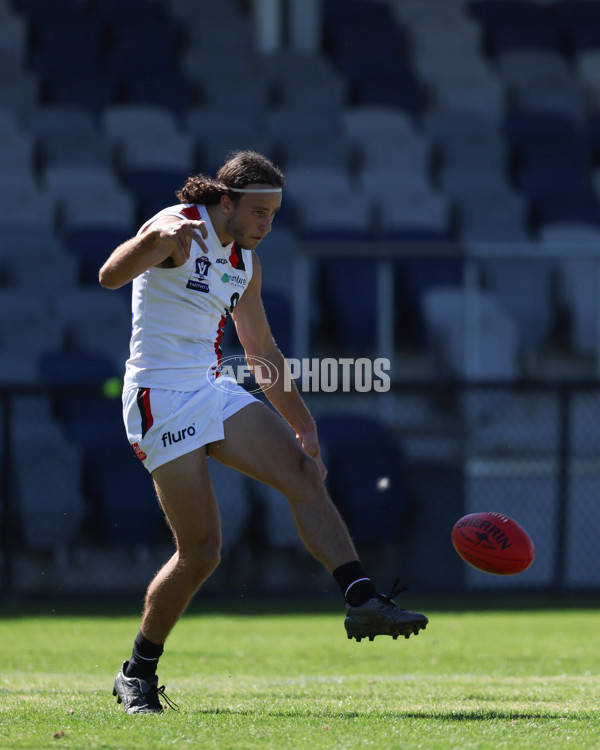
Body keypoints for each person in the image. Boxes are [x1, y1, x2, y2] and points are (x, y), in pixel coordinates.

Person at [99, 150, 428, 714]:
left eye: (273, 215)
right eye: (257, 212)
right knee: (201, 552)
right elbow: (110, 276)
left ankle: (362, 598)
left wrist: (303, 423)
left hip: (210, 385)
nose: (265, 225)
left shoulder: (244, 264)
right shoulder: (176, 225)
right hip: (159, 396)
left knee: (303, 473)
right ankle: (137, 672)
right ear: (224, 202)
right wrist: (152, 243)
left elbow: (261, 351)